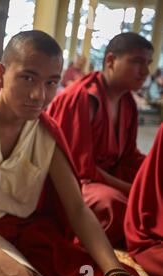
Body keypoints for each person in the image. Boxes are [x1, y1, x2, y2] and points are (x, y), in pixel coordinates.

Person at [0, 31, 153, 276]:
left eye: (51, 82)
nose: (39, 95)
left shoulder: (46, 132)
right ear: (0, 74)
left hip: (29, 235)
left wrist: (118, 274)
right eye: (28, 78)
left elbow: (77, 209)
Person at [47, 33, 153, 247]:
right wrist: (132, 190)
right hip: (72, 183)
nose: (145, 72)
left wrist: (154, 173)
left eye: (148, 63)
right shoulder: (83, 97)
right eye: (137, 62)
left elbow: (129, 156)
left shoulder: (127, 101)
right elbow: (80, 169)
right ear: (111, 61)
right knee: (114, 204)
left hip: (105, 176)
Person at [124, 124, 163, 276]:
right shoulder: (79, 101)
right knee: (109, 203)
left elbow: (129, 154)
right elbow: (85, 168)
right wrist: (129, 187)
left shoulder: (128, 104)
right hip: (91, 184)